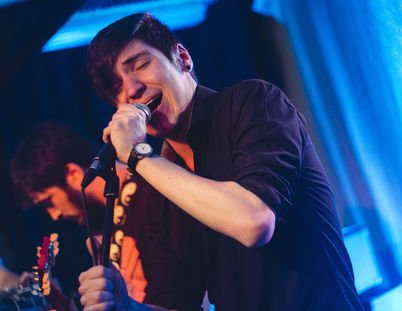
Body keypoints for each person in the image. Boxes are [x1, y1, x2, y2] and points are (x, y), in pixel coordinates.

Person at [78, 12, 364, 311]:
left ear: (182, 58)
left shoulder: (254, 102)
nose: (131, 89)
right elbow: (179, 305)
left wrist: (137, 155)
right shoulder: (155, 189)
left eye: (140, 65)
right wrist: (128, 306)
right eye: (115, 89)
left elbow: (254, 221)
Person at [9, 122, 152, 303]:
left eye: (49, 202)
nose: (54, 215)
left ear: (73, 174)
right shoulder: (103, 223)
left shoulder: (148, 194)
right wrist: (58, 301)